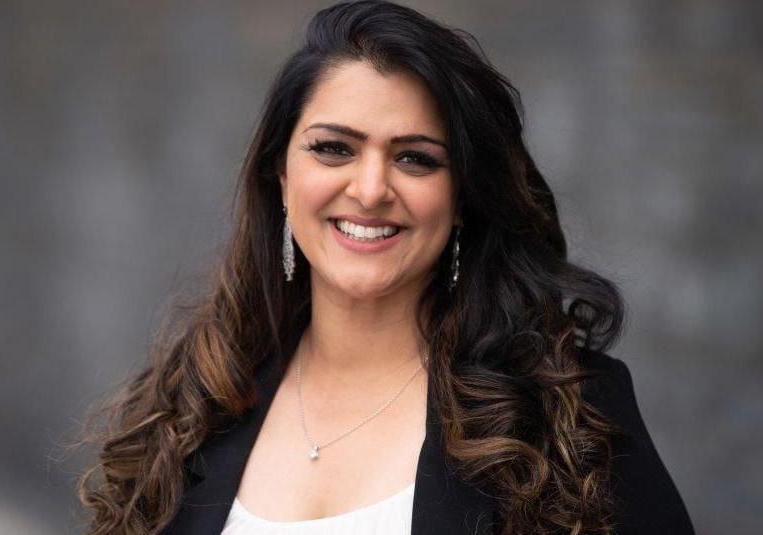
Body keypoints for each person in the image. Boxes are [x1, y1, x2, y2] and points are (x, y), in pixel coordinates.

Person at [77, 1, 695, 533]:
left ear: (462, 200)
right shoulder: (191, 401)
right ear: (283, 177)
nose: (370, 189)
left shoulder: (567, 408)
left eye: (416, 159)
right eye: (334, 148)